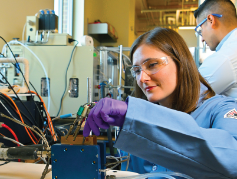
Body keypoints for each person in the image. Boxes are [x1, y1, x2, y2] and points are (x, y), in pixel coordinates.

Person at [83, 27, 237, 179]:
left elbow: (232, 159)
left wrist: (140, 119)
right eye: (137, 70)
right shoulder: (136, 123)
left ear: (181, 62)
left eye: (152, 65)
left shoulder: (221, 109)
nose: (142, 79)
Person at [195, 0, 237, 99]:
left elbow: (188, 96)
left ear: (211, 20)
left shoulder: (226, 56)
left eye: (200, 30)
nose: (202, 39)